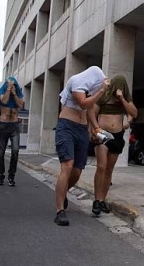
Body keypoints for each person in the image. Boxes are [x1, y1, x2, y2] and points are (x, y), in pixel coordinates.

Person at [54, 66, 110, 226]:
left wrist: (96, 127)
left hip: (81, 129)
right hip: (66, 126)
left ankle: (62, 192)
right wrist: (101, 91)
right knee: (67, 165)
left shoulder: (89, 88)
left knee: (77, 170)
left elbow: (90, 109)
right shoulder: (77, 82)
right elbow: (84, 103)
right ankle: (59, 211)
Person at [89, 75, 137, 216]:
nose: (118, 89)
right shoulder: (103, 97)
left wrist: (123, 101)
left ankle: (102, 199)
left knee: (109, 169)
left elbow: (133, 113)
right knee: (101, 166)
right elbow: (92, 112)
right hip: (103, 135)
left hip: (117, 136)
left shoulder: (125, 100)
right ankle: (97, 200)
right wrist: (94, 129)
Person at [0, 77, 24, 186]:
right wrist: (8, 89)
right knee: (0, 152)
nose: (11, 86)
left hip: (14, 125)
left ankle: (11, 176)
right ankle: (0, 176)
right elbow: (4, 101)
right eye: (9, 84)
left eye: (13, 85)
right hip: (3, 125)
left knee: (15, 151)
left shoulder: (19, 94)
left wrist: (14, 93)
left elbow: (21, 105)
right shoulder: (2, 92)